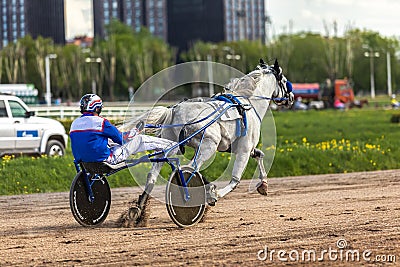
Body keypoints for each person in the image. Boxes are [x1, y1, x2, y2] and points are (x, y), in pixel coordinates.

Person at [70, 94, 178, 164]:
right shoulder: (101, 123)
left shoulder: (74, 123)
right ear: (97, 108)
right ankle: (172, 147)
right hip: (106, 160)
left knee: (109, 141)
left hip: (83, 161)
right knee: (140, 139)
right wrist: (135, 131)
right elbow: (123, 139)